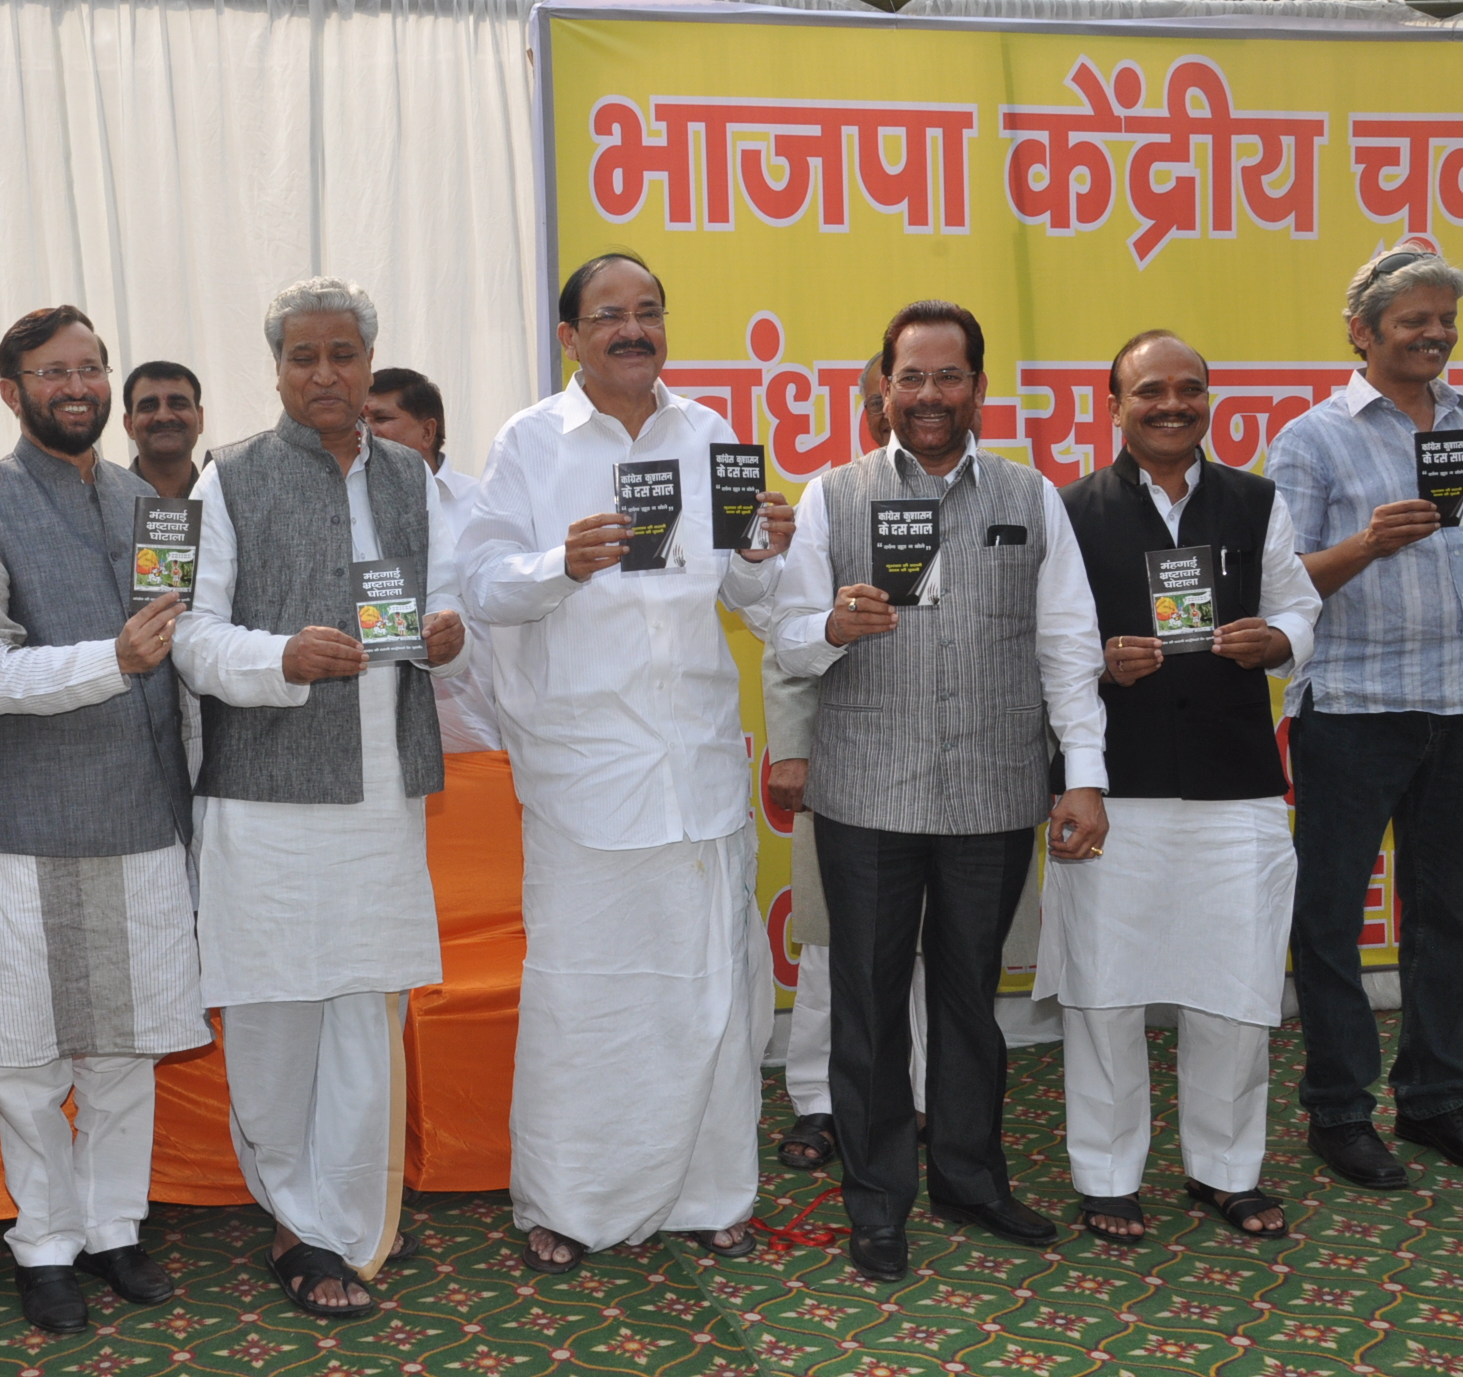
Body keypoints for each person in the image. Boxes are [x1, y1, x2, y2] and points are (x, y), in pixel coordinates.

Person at [461, 251, 793, 1274]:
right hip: (584, 772)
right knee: (586, 996)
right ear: (570, 336)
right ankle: (565, 1198)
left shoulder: (710, 438)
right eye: (608, 316)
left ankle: (709, 1192)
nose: (631, 330)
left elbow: (750, 600)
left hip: (694, 764)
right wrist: (559, 560)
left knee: (709, 990)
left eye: (647, 312)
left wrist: (761, 547)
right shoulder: (528, 441)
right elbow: (477, 585)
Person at [770, 299, 1109, 1282]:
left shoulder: (1027, 495)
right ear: (881, 388)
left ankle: (967, 1173)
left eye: (946, 376)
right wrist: (829, 623)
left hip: (992, 795)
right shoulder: (829, 496)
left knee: (969, 997)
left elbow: (1065, 645)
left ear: (977, 387)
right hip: (866, 794)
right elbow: (788, 639)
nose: (926, 395)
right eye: (908, 377)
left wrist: (1079, 774)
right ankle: (876, 1199)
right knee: (868, 1004)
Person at [172, 276, 468, 1319]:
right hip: (265, 794)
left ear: (368, 361)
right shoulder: (231, 478)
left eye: (342, 354)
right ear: (278, 368)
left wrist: (444, 628)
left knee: (362, 1005)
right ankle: (293, 1214)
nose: (324, 374)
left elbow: (454, 589)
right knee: (269, 1011)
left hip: (383, 787)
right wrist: (282, 656)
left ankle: (340, 1221)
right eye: (303, 357)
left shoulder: (410, 476)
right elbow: (192, 638)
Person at [0, 308, 210, 1334]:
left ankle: (113, 1227)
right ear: (12, 391)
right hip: (31, 826)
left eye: (90, 366)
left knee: (125, 1048)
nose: (77, 385)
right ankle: (42, 1241)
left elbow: (190, 653)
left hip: (147, 817)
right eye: (52, 371)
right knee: (29, 1056)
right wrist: (114, 657)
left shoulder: (154, 501)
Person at [1041, 330, 1321, 1242]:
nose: (1172, 405)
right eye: (1150, 390)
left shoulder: (1256, 500)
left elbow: (1297, 605)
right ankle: (1108, 1175)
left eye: (1189, 389)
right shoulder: (1070, 509)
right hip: (1110, 789)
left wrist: (1277, 643)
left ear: (1210, 400)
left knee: (1236, 988)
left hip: (1235, 784)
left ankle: (1226, 1170)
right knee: (1104, 991)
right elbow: (1050, 649)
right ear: (1113, 404)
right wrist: (1101, 669)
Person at [1267, 245, 1463, 1188]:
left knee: (1448, 916)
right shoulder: (1314, 438)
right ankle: (1340, 1112)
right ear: (1363, 332)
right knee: (1331, 918)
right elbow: (1283, 585)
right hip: (1350, 705)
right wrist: (1368, 543)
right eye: (1414, 321)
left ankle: (1434, 1100)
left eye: (1444, 320)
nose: (1434, 334)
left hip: (1457, 703)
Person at [772, 357, 931, 1172]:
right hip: (847, 766)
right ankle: (820, 1101)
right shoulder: (830, 498)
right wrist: (793, 749)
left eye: (906, 394)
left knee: (937, 948)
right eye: (879, 399)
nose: (893, 409)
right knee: (835, 944)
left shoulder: (996, 496)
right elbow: (790, 634)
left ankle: (923, 1097)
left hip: (955, 774)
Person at [367, 367, 499, 752]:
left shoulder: (485, 508)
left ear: (427, 432)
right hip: (383, 744)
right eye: (361, 420)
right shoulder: (348, 512)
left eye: (381, 418)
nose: (366, 430)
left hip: (478, 738)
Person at [121, 360, 205, 498]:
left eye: (178, 404)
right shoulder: (106, 505)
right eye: (148, 407)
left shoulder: (226, 505)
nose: (164, 416)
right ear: (129, 425)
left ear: (200, 419)